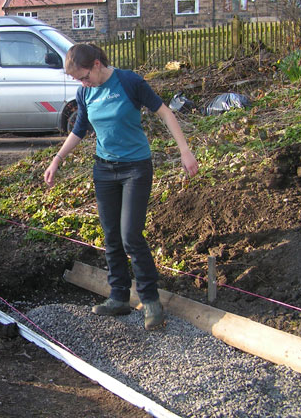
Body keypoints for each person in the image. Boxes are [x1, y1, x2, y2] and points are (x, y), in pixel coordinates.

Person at [44, 44, 198, 330]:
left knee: (130, 236)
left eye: (84, 77)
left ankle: (151, 302)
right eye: (78, 80)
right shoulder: (85, 92)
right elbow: (79, 129)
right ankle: (118, 298)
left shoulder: (129, 82)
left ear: (97, 65)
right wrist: (57, 160)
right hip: (104, 170)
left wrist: (185, 151)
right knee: (111, 236)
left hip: (136, 168)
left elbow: (165, 113)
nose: (82, 83)